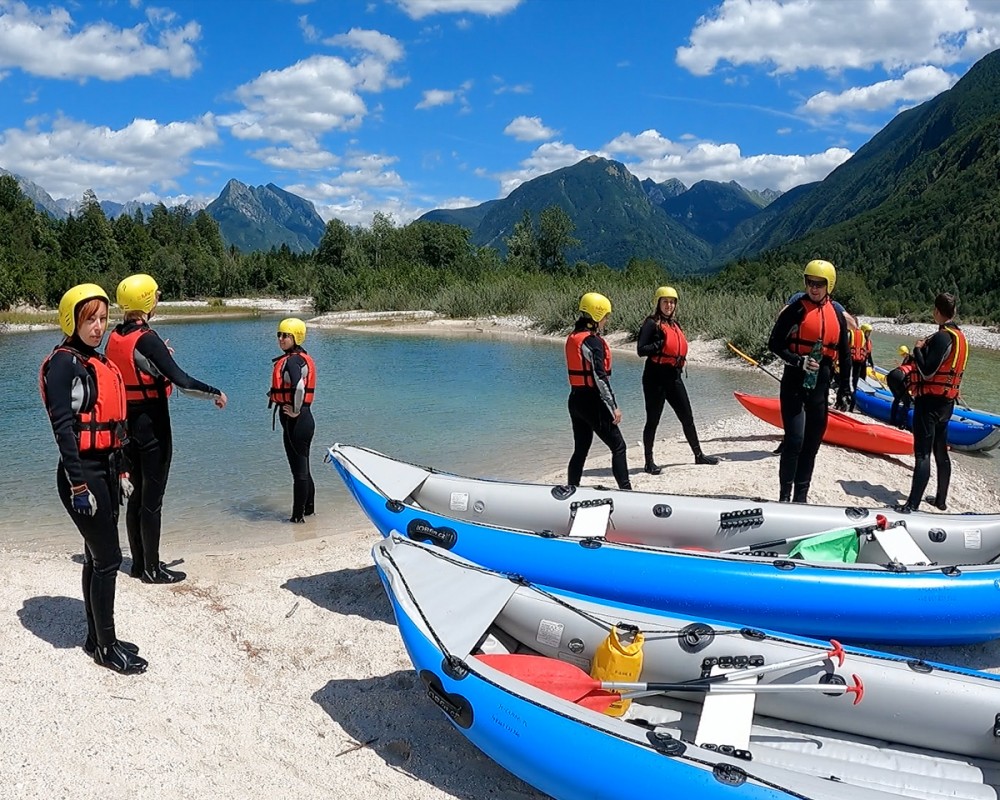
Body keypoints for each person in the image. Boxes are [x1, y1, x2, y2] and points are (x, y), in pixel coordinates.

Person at [39, 284, 148, 674]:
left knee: (94, 555)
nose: (99, 327)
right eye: (90, 319)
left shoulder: (93, 360)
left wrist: (119, 470)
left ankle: (96, 637)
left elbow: (110, 424)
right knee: (109, 559)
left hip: (103, 468)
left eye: (103, 319)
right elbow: (63, 430)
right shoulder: (64, 364)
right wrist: (78, 485)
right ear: (72, 321)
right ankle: (106, 646)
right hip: (80, 472)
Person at [105, 274, 228, 584]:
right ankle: (152, 569)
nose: (157, 300)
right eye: (155, 296)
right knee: (152, 501)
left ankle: (137, 564)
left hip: (125, 427)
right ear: (147, 300)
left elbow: (136, 368)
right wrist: (215, 392)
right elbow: (182, 382)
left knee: (135, 497)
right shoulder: (147, 338)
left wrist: (159, 358)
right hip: (151, 427)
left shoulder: (115, 336)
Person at [768, 259, 852, 503]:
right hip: (794, 382)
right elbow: (774, 343)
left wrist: (846, 388)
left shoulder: (837, 314)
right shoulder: (796, 310)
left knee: (812, 444)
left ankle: (801, 498)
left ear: (830, 285)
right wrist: (797, 361)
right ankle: (784, 496)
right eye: (810, 283)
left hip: (820, 387)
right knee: (794, 440)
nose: (814, 288)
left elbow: (845, 355)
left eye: (819, 284)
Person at [896, 293, 968, 513]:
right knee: (940, 451)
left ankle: (911, 505)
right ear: (954, 311)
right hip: (947, 403)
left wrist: (917, 349)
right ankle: (940, 500)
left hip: (929, 403)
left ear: (936, 311)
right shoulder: (960, 337)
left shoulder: (942, 337)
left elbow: (927, 371)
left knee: (923, 454)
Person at [635, 286, 719, 473]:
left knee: (687, 417)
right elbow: (641, 350)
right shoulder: (651, 323)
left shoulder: (675, 324)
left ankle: (698, 455)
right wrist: (660, 344)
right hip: (654, 377)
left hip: (673, 376)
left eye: (672, 302)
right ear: (658, 303)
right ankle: (649, 462)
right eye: (665, 301)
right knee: (653, 420)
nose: (669, 305)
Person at [565, 292, 631, 490]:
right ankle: (626, 491)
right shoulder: (592, 342)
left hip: (575, 400)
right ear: (596, 315)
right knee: (619, 446)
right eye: (605, 316)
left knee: (581, 449)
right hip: (591, 402)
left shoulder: (574, 337)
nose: (606, 320)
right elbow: (599, 376)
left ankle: (571, 488)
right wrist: (614, 407)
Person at [268, 318, 316, 523]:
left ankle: (297, 518)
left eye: (286, 335)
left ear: (296, 336)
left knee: (299, 472)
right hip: (304, 419)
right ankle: (309, 511)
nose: (281, 339)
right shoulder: (299, 358)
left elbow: (298, 387)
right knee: (303, 467)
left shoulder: (293, 361)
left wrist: (295, 411)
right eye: (279, 335)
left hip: (297, 421)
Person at [847, 323, 874, 411]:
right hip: (857, 362)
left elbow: (869, 355)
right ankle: (852, 403)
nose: (868, 334)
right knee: (854, 382)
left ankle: (859, 399)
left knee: (862, 381)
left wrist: (872, 365)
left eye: (869, 332)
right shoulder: (859, 340)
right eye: (867, 332)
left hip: (863, 364)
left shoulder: (869, 341)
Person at [886, 345, 915, 429]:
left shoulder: (907, 362)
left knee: (897, 398)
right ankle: (902, 424)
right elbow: (911, 384)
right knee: (907, 402)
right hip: (900, 376)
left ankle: (892, 420)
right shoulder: (915, 368)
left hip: (891, 375)